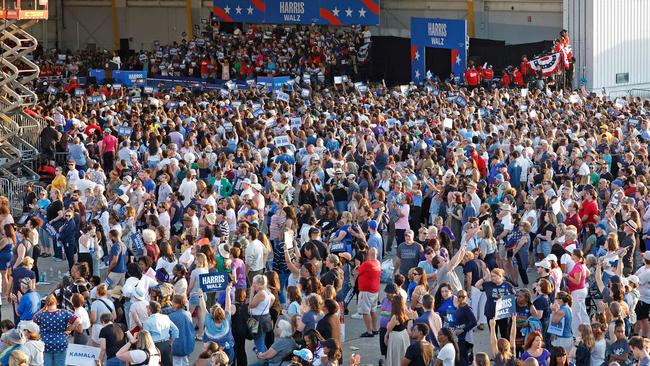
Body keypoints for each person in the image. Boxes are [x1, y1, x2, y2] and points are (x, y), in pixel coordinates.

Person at [32, 294, 81, 366]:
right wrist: (69, 329)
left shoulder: (42, 315)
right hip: (60, 343)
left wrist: (42, 310)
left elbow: (33, 320)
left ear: (46, 304)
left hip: (45, 344)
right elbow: (78, 321)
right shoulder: (63, 313)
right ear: (56, 302)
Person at [199, 285, 235, 362]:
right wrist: (227, 293)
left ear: (211, 315)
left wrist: (200, 295)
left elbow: (202, 307)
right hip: (226, 351)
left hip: (212, 352)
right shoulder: (226, 320)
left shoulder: (208, 321)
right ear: (222, 313)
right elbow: (228, 306)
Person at [142, 301, 179, 366]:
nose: (147, 310)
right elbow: (175, 330)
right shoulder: (165, 317)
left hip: (154, 346)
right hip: (166, 344)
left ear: (150, 309)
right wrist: (171, 342)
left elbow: (146, 338)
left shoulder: (146, 322)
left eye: (147, 308)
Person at [357, 247, 380, 337]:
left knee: (365, 311)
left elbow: (358, 271)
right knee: (373, 310)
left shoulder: (367, 264)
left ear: (368, 254)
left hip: (366, 291)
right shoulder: (377, 263)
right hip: (374, 291)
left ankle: (369, 331)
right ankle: (374, 329)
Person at [384, 295, 412, 366]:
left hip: (396, 337)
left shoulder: (395, 316)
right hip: (404, 335)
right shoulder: (406, 312)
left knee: (396, 357)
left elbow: (389, 328)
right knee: (403, 354)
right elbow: (409, 328)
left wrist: (386, 335)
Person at [168, 295, 195, 366]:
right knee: (185, 362)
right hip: (188, 343)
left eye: (173, 301)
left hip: (177, 345)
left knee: (176, 363)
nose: (171, 303)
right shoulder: (188, 313)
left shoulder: (171, 316)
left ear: (177, 304)